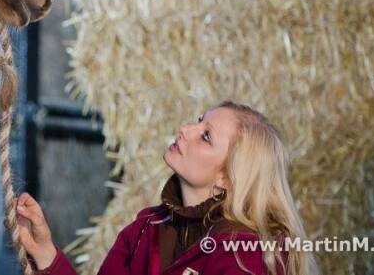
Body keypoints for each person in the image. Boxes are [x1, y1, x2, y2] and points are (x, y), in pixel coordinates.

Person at [16, 101, 319, 275]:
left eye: (205, 136)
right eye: (199, 122)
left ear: (226, 177)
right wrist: (46, 256)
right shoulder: (144, 229)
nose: (185, 129)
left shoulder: (246, 256)